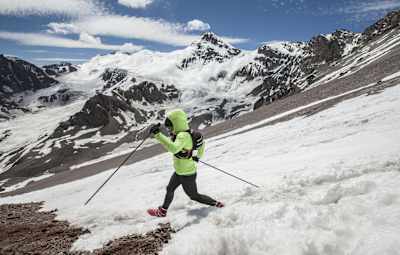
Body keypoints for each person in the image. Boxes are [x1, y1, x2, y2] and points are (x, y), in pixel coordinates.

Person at [147, 109, 224, 217]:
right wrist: (196, 157)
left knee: (194, 196)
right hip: (180, 172)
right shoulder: (189, 133)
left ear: (176, 124)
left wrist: (157, 134)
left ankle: (218, 204)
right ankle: (162, 211)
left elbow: (173, 149)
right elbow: (201, 147)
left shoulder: (182, 136)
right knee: (170, 189)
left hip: (187, 174)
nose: (169, 130)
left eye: (170, 127)